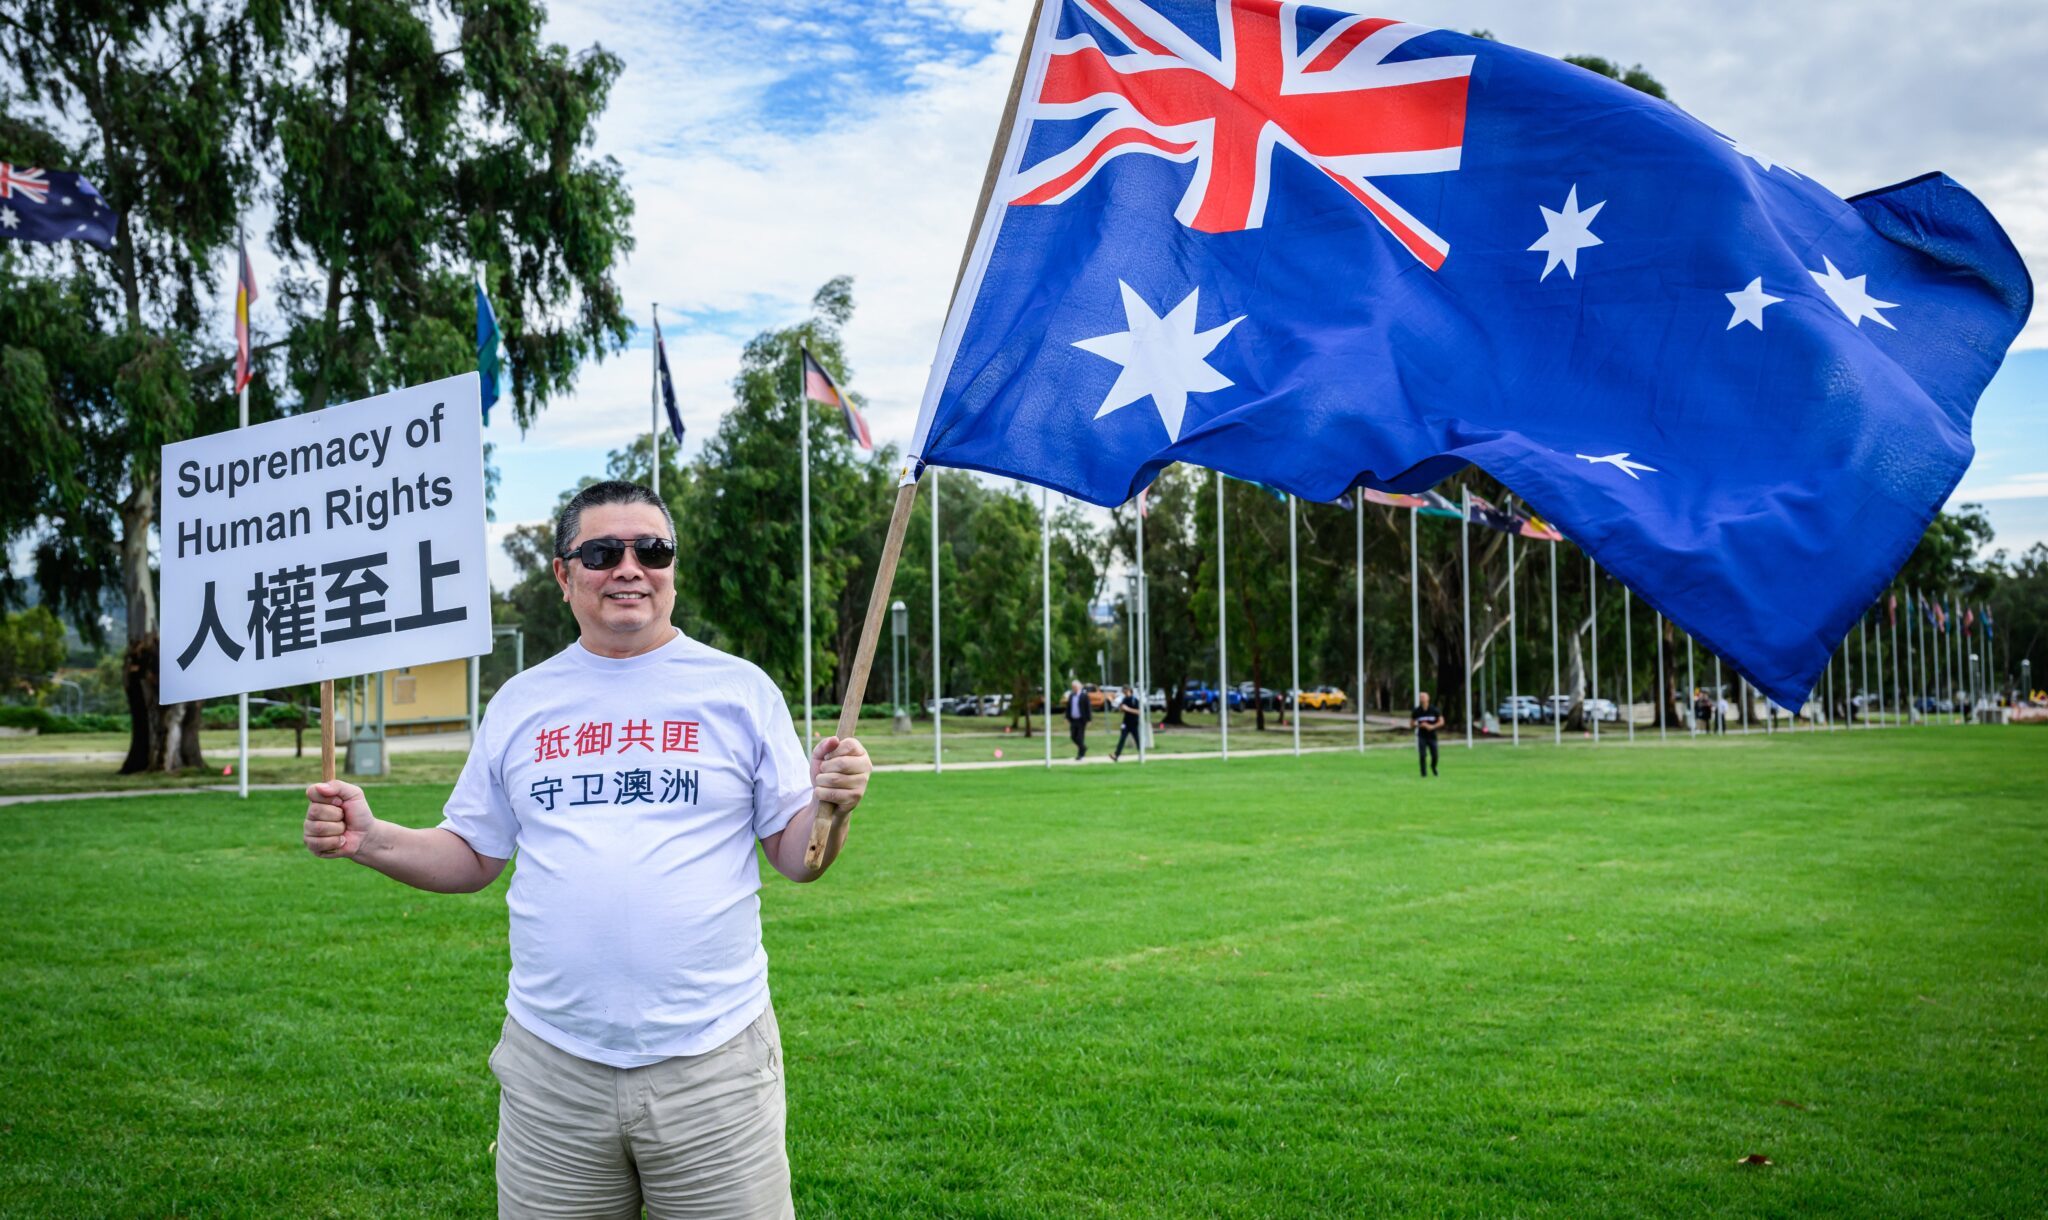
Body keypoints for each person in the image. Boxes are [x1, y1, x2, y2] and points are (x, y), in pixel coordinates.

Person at [301, 480, 871, 1218]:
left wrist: (833, 807)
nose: (630, 567)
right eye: (603, 551)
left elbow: (800, 858)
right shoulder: (521, 702)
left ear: (672, 569)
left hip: (715, 1065)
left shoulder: (740, 691)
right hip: (553, 1071)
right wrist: (370, 839)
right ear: (564, 575)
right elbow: (473, 855)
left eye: (653, 549)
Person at [1411, 691, 1444, 777]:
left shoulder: (1434, 709)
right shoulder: (1417, 711)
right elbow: (1411, 723)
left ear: (1428, 698)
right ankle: (1423, 774)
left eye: (1423, 697)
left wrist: (1432, 726)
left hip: (1432, 736)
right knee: (1422, 755)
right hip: (1422, 736)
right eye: (1420, 697)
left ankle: (1433, 767)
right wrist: (1419, 725)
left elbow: (1441, 721)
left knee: (1435, 755)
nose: (1422, 698)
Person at [1110, 684, 1142, 761]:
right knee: (1122, 739)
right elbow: (1121, 709)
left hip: (1134, 723)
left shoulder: (1135, 700)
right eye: (1123, 691)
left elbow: (1138, 712)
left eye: (1125, 691)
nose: (1124, 693)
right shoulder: (1124, 699)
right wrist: (1115, 703)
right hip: (1125, 723)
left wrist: (1128, 709)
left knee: (1137, 739)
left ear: (1129, 691)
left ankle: (1141, 754)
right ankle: (1116, 755)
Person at [1064, 677, 1092, 760]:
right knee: (1073, 737)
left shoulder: (1084, 696)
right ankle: (1083, 747)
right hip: (1073, 719)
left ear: (1079, 687)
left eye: (1075, 687)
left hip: (1081, 720)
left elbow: (1088, 708)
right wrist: (1066, 717)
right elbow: (1068, 707)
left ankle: (1080, 754)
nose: (1074, 689)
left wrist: (1089, 719)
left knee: (1080, 737)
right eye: (1073, 687)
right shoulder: (1071, 696)